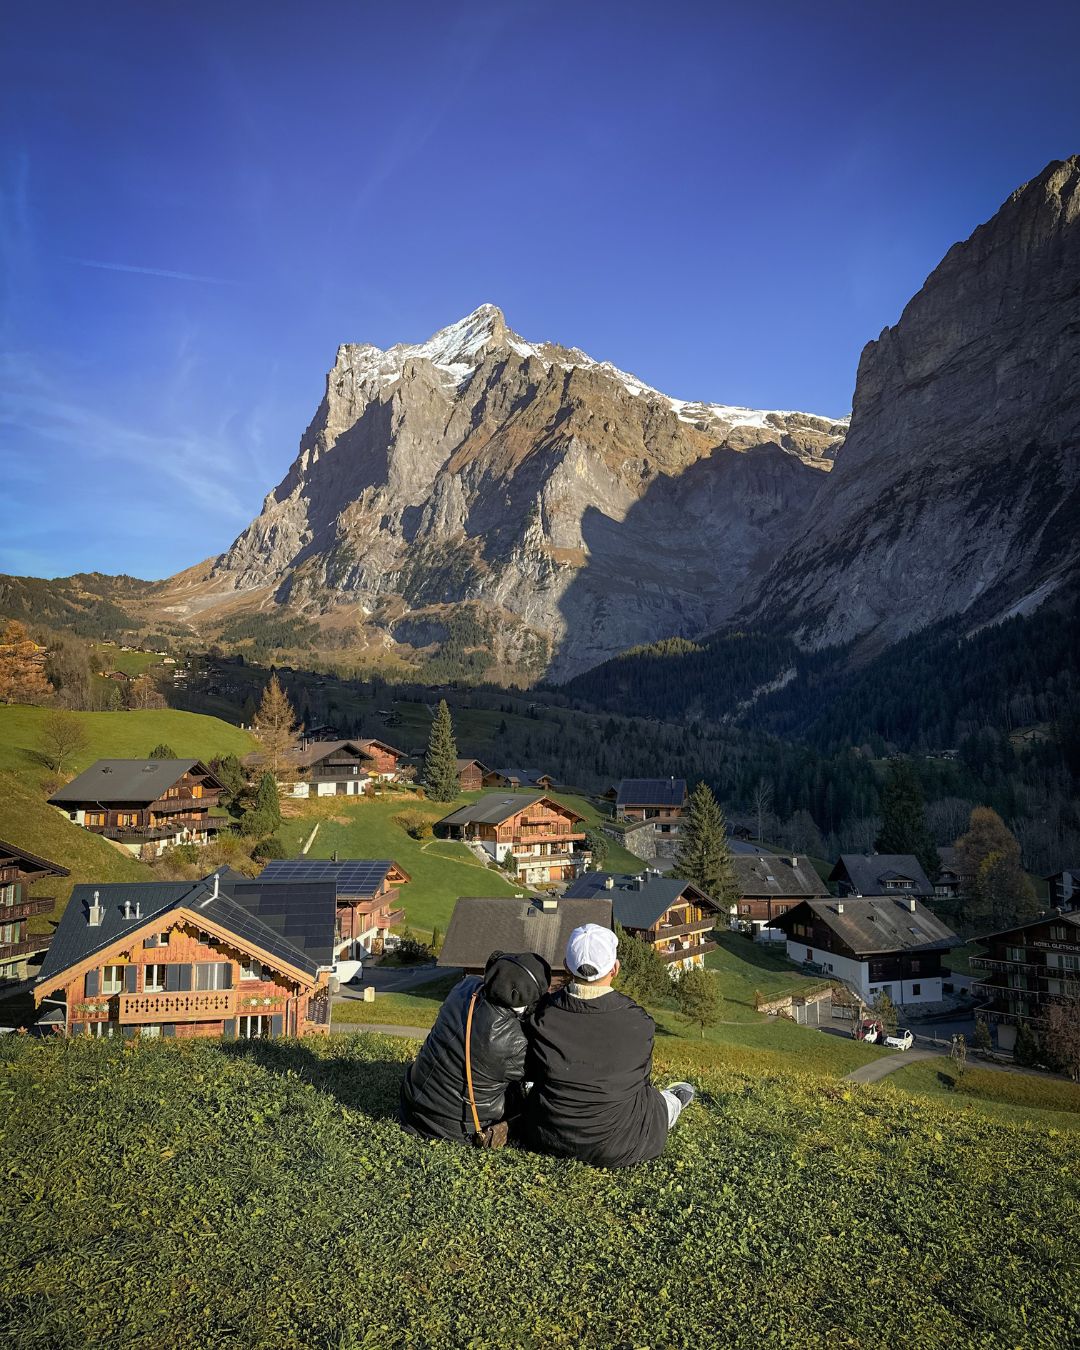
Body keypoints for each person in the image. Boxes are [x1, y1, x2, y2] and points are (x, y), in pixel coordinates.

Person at [523, 924, 695, 1168]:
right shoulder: (638, 1021)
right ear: (615, 968)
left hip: (547, 1135)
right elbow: (640, 1082)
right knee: (655, 1102)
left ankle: (669, 1102)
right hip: (618, 1144)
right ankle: (673, 1102)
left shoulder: (540, 1014)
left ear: (566, 965)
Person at [399, 951, 551, 1146]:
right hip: (457, 1129)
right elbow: (541, 1072)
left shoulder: (465, 987)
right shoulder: (515, 1045)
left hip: (411, 1103)